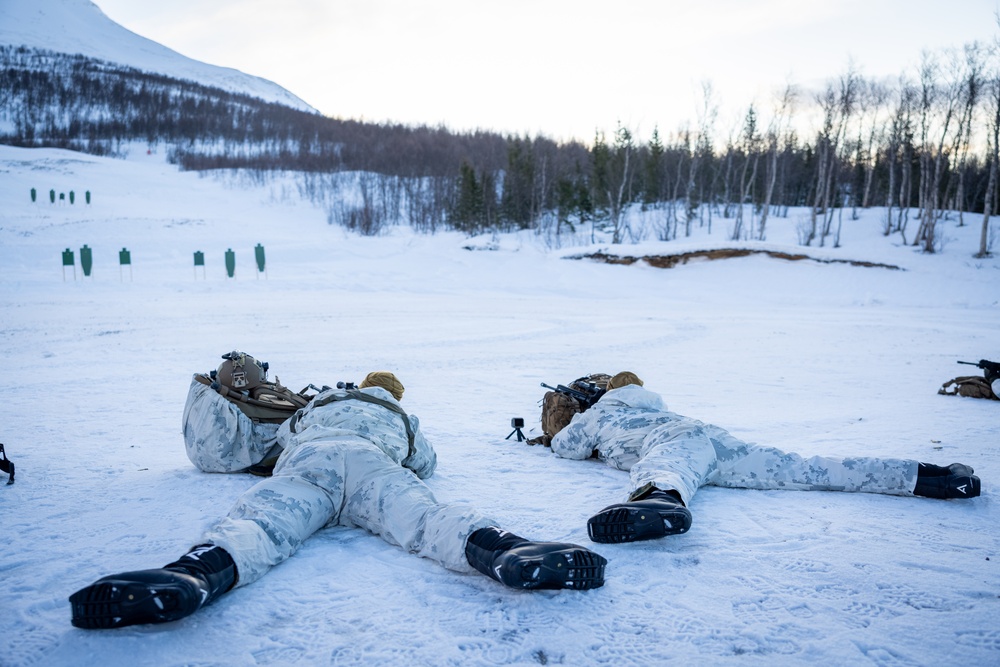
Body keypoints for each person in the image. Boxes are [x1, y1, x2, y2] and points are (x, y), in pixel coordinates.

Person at [69, 354, 606, 629]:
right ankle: (506, 549)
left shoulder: (321, 403)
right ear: (394, 394)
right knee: (428, 519)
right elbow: (425, 463)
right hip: (373, 468)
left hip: (314, 464)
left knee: (263, 522)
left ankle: (195, 573)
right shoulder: (400, 415)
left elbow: (282, 438)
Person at [550, 371, 982, 545]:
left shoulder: (607, 410)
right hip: (715, 442)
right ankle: (930, 476)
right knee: (808, 468)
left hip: (676, 441)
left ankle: (659, 499)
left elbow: (566, 448)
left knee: (667, 464)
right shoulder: (653, 404)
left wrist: (573, 424)